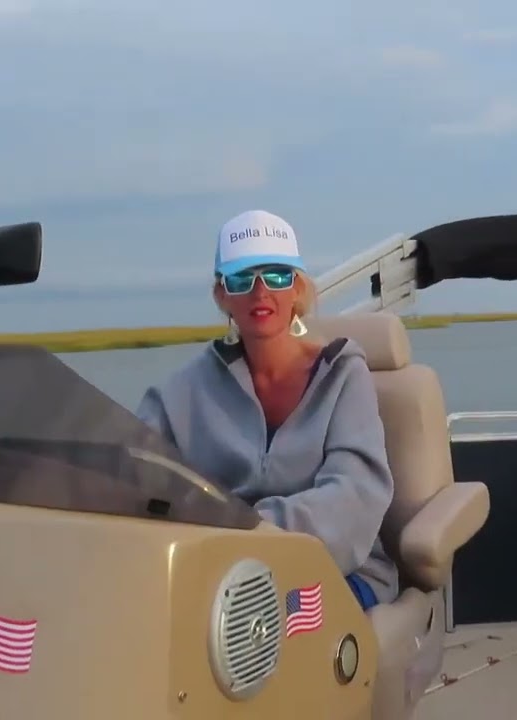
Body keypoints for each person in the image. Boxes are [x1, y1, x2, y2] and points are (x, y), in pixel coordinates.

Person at [135, 209, 398, 610]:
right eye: (242, 279)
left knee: (255, 625)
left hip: (336, 570)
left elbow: (354, 497)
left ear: (297, 289)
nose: (260, 292)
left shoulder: (343, 376)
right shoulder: (183, 390)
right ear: (222, 295)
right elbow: (132, 465)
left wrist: (247, 530)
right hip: (219, 575)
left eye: (276, 276)